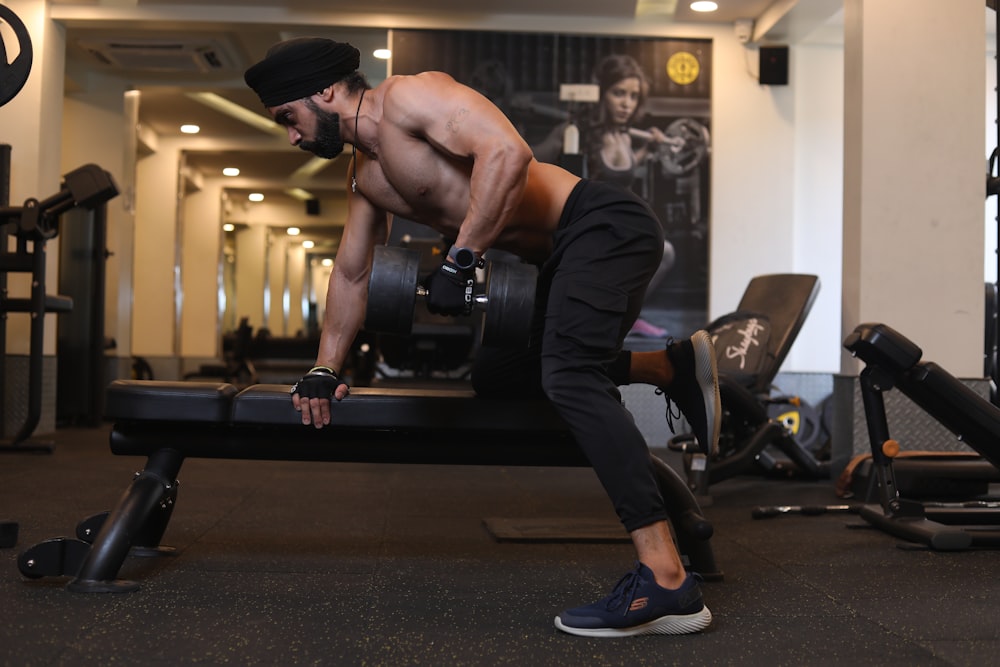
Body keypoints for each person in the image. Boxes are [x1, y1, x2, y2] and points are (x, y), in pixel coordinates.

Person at [244, 37, 721, 638]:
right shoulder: (365, 177)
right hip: (559, 261)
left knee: (568, 375)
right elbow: (351, 271)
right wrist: (324, 368)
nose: (289, 135)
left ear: (325, 90)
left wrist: (461, 258)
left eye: (288, 117)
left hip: (601, 227)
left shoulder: (411, 97)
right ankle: (666, 367)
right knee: (498, 377)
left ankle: (667, 580)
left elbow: (508, 152)